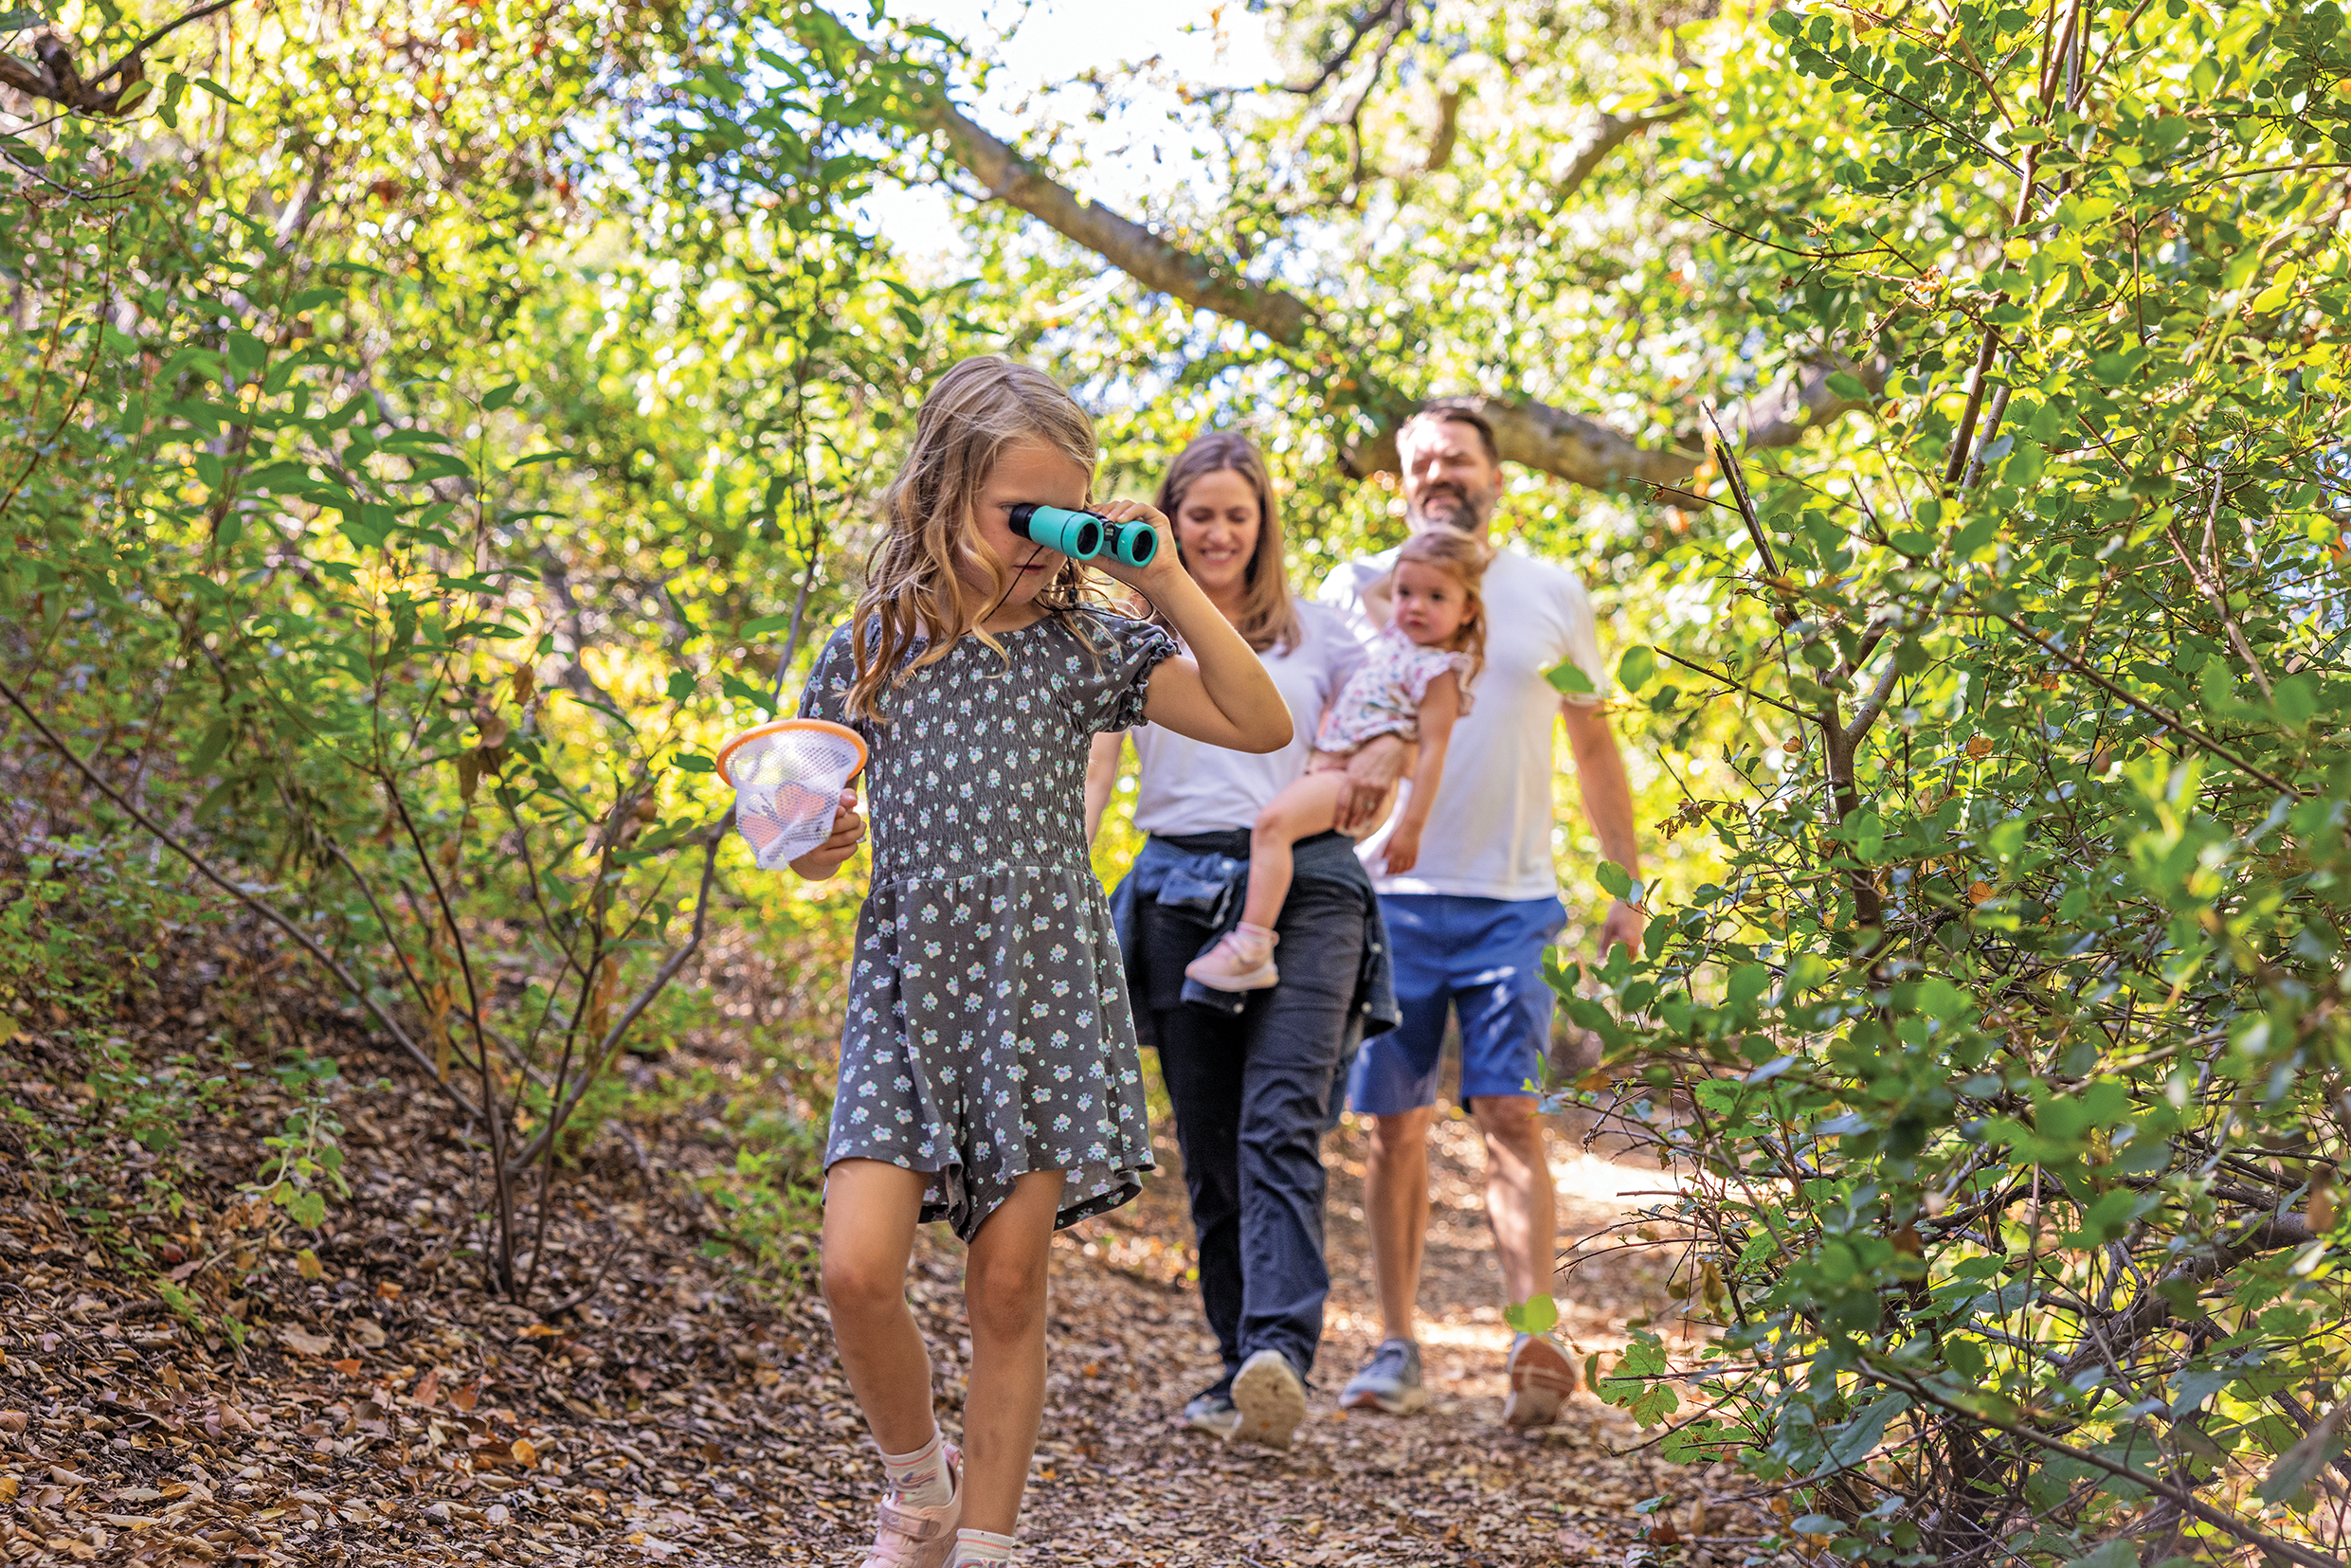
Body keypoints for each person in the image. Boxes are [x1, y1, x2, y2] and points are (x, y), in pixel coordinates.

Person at [789, 360, 1292, 1568]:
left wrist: (1162, 577)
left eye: (1057, 516)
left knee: (1007, 1285)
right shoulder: (869, 650)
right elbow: (804, 838)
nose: (1038, 541)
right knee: (857, 1269)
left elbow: (1260, 721)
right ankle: (921, 1488)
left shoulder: (1085, 646)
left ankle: (991, 1545)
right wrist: (823, 837)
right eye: (1019, 513)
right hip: (909, 990)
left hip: (1042, 993)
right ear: (940, 490)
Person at [1317, 405, 1644, 1430]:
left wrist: (1626, 883)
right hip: (1381, 899)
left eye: (1457, 457)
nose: (1439, 471)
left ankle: (1531, 1337)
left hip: (1513, 902)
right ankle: (1398, 1342)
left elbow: (1592, 745)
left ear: (1495, 475)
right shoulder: (1359, 589)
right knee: (1393, 1125)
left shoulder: (1548, 594)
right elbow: (1306, 723)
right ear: (1400, 482)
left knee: (1511, 1111)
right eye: (1420, 460)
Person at [1085, 431, 1399, 1450]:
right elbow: (1093, 777)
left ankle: (1278, 1350)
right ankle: (1238, 1366)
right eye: (1199, 513)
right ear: (1168, 522)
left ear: (1263, 526)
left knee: (1278, 1119)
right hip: (1174, 883)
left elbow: (1409, 701)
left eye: (1237, 514)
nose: (1217, 531)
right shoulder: (1130, 635)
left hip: (1307, 888)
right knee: (1211, 1143)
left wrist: (1384, 759)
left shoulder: (1323, 634)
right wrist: (1066, 877)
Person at [1183, 529, 1491, 993]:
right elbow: (1373, 590)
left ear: (1468, 609)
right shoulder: (1397, 637)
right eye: (1406, 592)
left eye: (1436, 597)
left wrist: (1411, 827)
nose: (1415, 606)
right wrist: (1421, 555)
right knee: (1278, 833)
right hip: (1332, 764)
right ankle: (1259, 936)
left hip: (1353, 775)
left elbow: (1432, 755)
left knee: (1272, 826)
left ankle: (1252, 946)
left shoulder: (1439, 672)